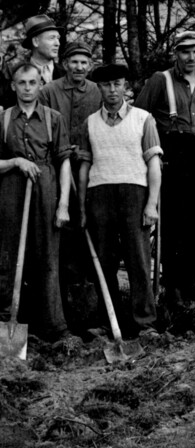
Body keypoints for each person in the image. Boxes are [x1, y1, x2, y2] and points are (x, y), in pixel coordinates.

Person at [135, 30, 195, 306]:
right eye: (185, 51)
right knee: (175, 227)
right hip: (172, 160)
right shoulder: (159, 80)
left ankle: (189, 283)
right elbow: (139, 117)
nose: (191, 57)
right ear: (176, 53)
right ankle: (172, 285)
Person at [76, 63, 162, 340]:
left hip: (134, 194)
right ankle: (106, 321)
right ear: (98, 88)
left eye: (117, 84)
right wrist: (81, 206)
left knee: (138, 260)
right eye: (105, 85)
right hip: (99, 195)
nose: (112, 90)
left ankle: (145, 323)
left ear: (125, 86)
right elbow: (84, 169)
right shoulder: (90, 123)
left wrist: (151, 204)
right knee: (104, 261)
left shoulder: (143, 118)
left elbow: (154, 164)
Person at [0, 63, 73, 345]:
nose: (28, 88)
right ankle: (7, 319)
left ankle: (54, 327)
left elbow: (63, 160)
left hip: (45, 189)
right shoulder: (4, 119)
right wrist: (16, 161)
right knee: (8, 255)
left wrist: (63, 204)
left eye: (33, 82)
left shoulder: (53, 119)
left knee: (48, 255)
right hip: (11, 191)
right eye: (22, 83)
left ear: (40, 84)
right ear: (13, 86)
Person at [39, 41, 102, 327]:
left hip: (88, 168)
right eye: (74, 62)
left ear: (90, 66)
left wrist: (85, 151)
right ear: (65, 64)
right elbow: (42, 127)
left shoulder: (96, 92)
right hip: (56, 167)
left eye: (84, 63)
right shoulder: (48, 91)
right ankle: (56, 304)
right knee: (59, 229)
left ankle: (86, 308)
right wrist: (63, 150)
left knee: (85, 227)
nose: (78, 67)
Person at [1, 14, 65, 109]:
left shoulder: (65, 74)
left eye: (58, 38)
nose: (57, 43)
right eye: (52, 38)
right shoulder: (13, 75)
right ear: (35, 41)